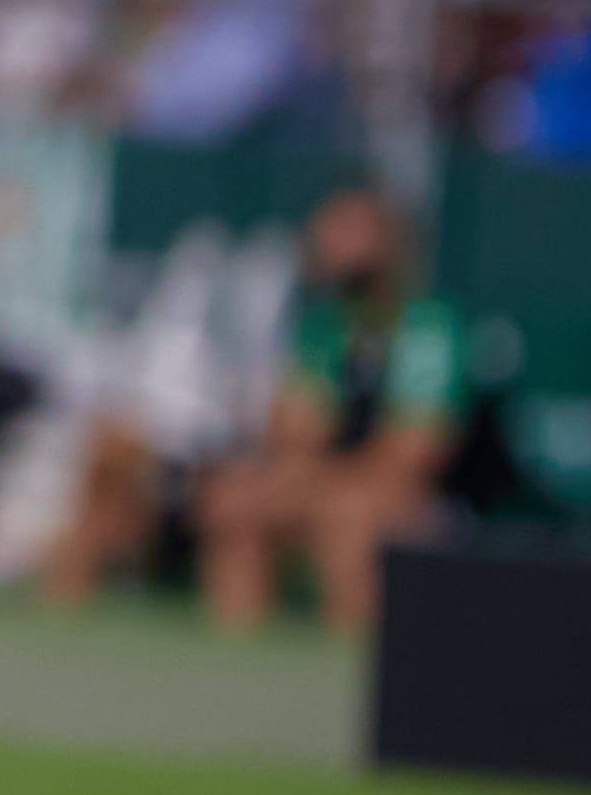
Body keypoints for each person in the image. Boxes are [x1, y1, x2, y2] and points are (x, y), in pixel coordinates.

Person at [192, 189, 467, 633]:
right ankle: (238, 653)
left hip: (403, 495)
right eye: (330, 232)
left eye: (351, 232)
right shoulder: (322, 328)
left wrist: (322, 469)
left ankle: (353, 654)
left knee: (350, 513)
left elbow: (417, 449)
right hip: (323, 478)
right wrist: (299, 458)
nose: (334, 245)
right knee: (236, 501)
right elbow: (295, 428)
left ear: (390, 244)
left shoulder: (428, 326)